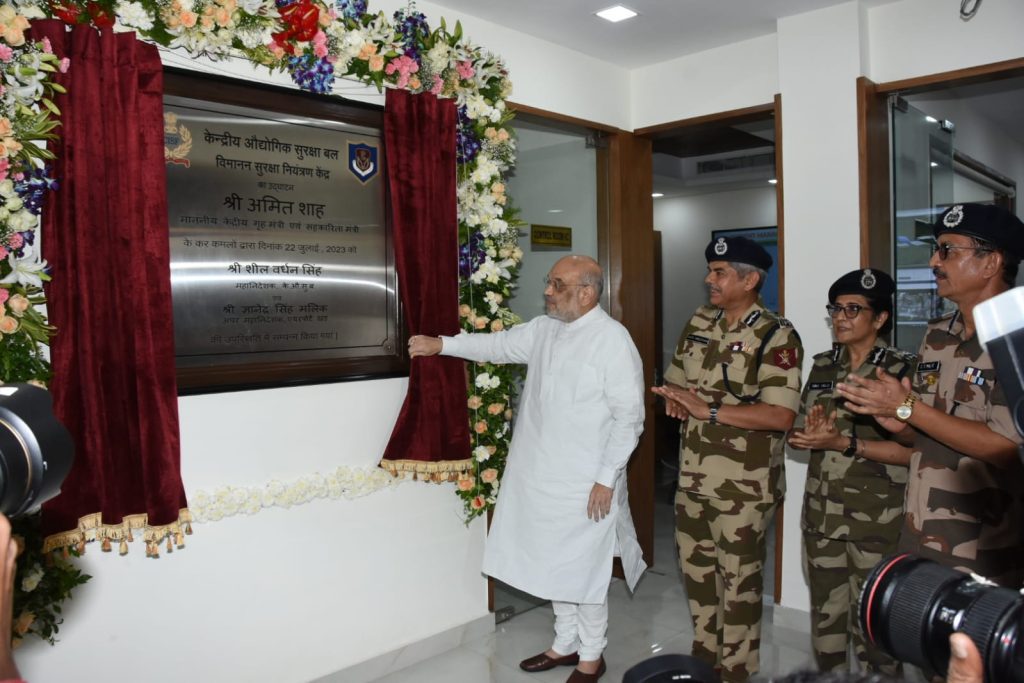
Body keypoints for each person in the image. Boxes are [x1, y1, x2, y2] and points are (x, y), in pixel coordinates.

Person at [408, 254, 645, 683]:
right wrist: (442, 344)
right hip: (539, 476)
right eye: (549, 282)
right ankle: (564, 643)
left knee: (584, 571)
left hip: (588, 483)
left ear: (588, 293)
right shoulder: (544, 330)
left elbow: (629, 419)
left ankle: (592, 656)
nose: (547, 292)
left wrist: (606, 479)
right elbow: (495, 347)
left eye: (558, 285)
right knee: (555, 565)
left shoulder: (613, 341)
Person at [836, 203, 1024, 587]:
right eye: (936, 249)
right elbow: (924, 432)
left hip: (987, 547)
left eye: (948, 250)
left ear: (991, 263)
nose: (934, 261)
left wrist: (907, 408)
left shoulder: (1017, 337)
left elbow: (1008, 446)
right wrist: (897, 421)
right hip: (920, 531)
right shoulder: (938, 334)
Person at [652, 236, 803, 682]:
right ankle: (704, 655)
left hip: (744, 487)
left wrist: (709, 409)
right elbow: (676, 383)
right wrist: (674, 400)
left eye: (719, 273)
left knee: (739, 582)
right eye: (710, 271)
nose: (708, 280)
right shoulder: (700, 321)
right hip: (694, 478)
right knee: (697, 573)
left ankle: (737, 668)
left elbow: (780, 415)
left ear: (751, 279)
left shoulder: (776, 334)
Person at [787, 269, 915, 676]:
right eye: (836, 309)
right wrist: (805, 437)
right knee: (826, 622)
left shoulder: (901, 372)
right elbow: (806, 429)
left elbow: (914, 452)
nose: (841, 317)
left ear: (880, 319)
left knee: (875, 627)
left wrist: (842, 443)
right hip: (822, 517)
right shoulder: (824, 365)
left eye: (853, 310)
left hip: (876, 523)